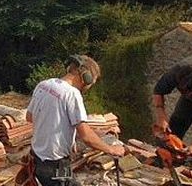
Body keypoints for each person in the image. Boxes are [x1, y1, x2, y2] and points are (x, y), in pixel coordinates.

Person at [26, 55, 125, 186]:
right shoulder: (72, 94)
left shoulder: (43, 85)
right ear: (86, 77)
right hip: (57, 166)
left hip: (37, 159)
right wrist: (112, 150)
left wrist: (63, 134)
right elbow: (86, 137)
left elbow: (30, 117)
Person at [153, 56, 192, 154]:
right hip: (188, 101)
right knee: (173, 129)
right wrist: (161, 117)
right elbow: (158, 91)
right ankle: (167, 154)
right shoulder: (180, 70)